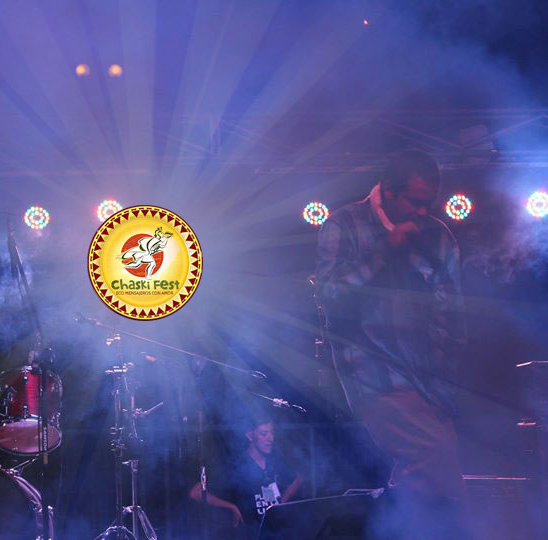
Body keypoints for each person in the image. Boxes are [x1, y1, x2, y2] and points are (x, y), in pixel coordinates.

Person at [315, 150, 468, 538]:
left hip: (427, 383)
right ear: (387, 190)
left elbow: (452, 316)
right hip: (373, 375)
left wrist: (445, 384)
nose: (421, 212)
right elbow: (330, 296)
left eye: (428, 203)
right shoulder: (344, 224)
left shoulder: (439, 236)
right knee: (439, 460)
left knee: (429, 479)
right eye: (413, 202)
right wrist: (386, 250)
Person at [189, 412, 302, 539]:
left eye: (272, 433)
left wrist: (281, 504)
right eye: (264, 434)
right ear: (250, 436)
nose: (271, 438)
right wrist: (231, 507)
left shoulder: (275, 460)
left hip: (279, 533)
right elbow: (196, 492)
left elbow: (297, 479)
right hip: (251, 534)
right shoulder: (235, 465)